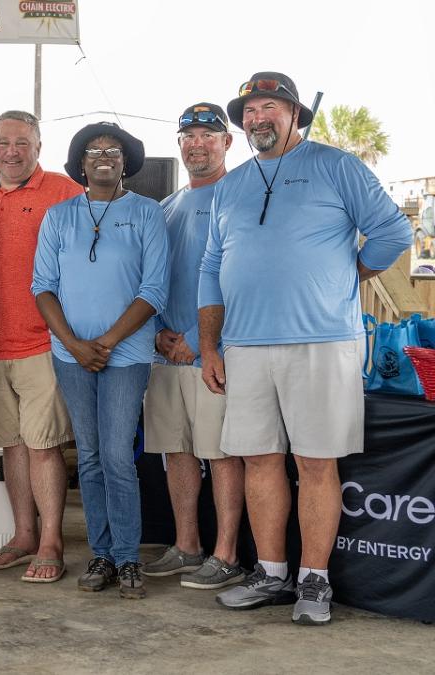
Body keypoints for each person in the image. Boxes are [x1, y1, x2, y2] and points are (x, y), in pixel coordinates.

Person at [201, 72, 411, 625]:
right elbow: (210, 268)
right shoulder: (231, 184)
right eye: (249, 110)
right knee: (259, 460)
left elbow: (393, 232)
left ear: (296, 113)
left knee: (315, 462)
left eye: (269, 106)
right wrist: (209, 344)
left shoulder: (337, 166)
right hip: (244, 345)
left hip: (322, 342)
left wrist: (350, 272)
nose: (256, 117)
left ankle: (313, 582)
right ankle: (271, 574)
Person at [32, 122, 168, 600]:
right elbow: (42, 287)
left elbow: (153, 290)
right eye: (94, 152)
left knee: (114, 454)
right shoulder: (58, 216)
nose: (104, 157)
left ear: (126, 160)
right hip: (70, 354)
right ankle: (102, 553)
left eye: (113, 150)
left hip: (125, 354)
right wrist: (72, 342)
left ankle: (129, 558)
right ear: (81, 163)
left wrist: (106, 341)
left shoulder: (148, 214)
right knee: (87, 457)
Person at [0, 111, 82, 583]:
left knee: (43, 446)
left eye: (21, 143)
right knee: (11, 447)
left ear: (38, 146)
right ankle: (23, 534)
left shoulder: (65, 192)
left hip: (43, 343)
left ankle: (52, 539)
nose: (11, 151)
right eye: (3, 142)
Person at [141, 103, 246, 590]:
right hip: (166, 355)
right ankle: (187, 546)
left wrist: (206, 344)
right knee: (176, 453)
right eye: (189, 136)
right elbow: (153, 280)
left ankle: (225, 554)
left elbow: (242, 280)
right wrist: (160, 333)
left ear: (227, 143)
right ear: (179, 145)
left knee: (221, 454)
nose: (197, 143)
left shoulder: (241, 196)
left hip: (214, 355)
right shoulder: (167, 206)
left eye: (209, 134)